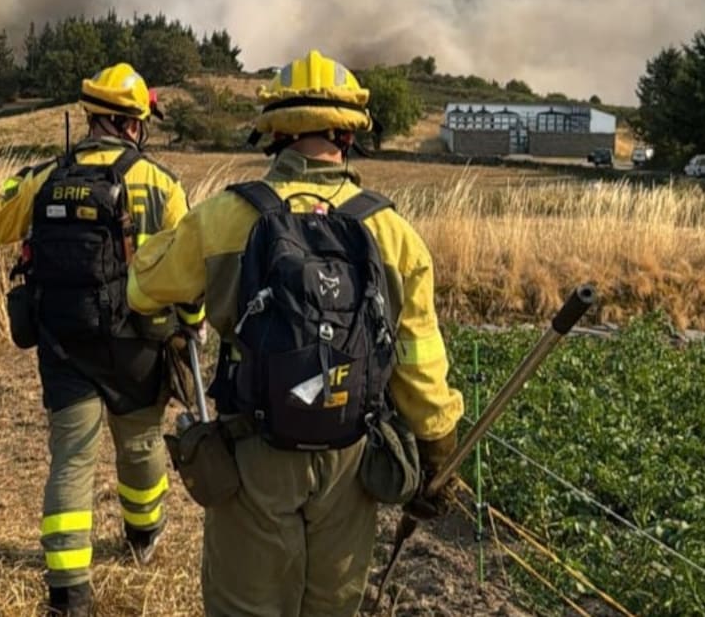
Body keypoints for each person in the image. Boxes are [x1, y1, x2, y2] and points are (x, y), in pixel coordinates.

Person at [126, 50, 464, 616]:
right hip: (351, 456)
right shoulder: (392, 232)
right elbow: (419, 360)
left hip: (253, 451)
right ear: (349, 133)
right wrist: (437, 447)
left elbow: (142, 290)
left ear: (274, 132)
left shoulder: (224, 217)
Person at [0, 62, 201, 617]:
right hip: (137, 343)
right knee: (141, 446)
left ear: (90, 118)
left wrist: (24, 181)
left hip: (63, 341)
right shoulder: (161, 183)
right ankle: (142, 537)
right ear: (133, 125)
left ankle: (68, 590)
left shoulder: (47, 176)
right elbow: (189, 270)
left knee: (72, 460)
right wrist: (191, 326)